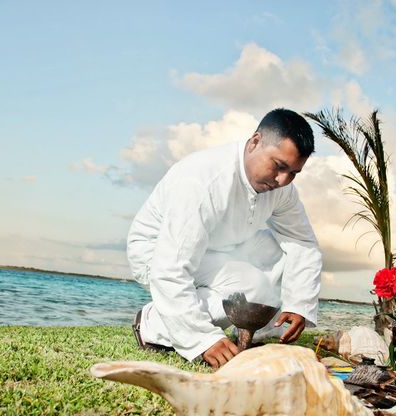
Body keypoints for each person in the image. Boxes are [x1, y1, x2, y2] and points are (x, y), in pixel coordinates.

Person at [127, 108, 322, 368]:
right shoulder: (201, 181)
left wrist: (299, 304)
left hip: (219, 247)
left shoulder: (281, 187)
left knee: (278, 253)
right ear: (255, 142)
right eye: (278, 166)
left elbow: (302, 242)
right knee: (251, 286)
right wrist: (202, 338)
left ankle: (256, 333)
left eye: (294, 173)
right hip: (156, 253)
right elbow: (169, 269)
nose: (282, 180)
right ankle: (153, 323)